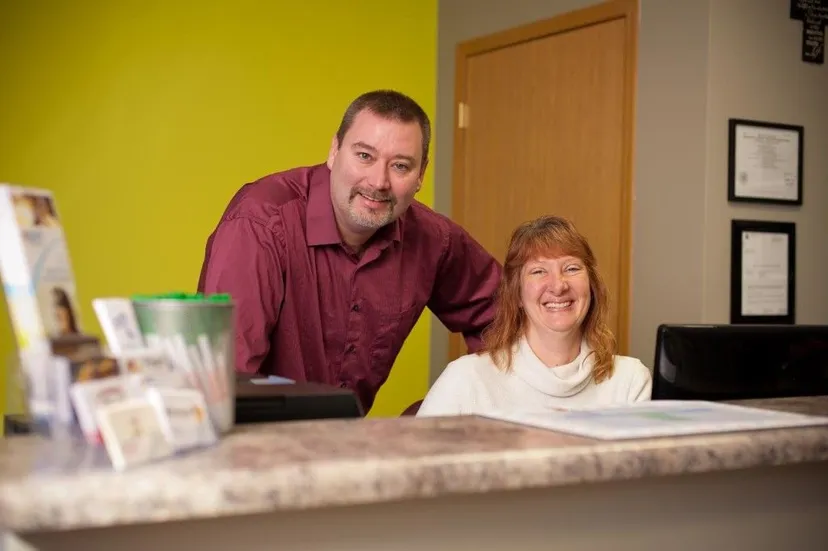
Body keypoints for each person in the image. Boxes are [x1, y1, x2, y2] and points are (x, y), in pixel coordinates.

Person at [198, 89, 501, 413]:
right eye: (365, 156)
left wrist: (441, 410)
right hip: (261, 437)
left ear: (420, 176)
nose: (379, 182)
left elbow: (510, 319)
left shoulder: (433, 239)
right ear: (334, 151)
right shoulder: (259, 225)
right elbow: (223, 386)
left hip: (348, 438)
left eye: (400, 166)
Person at [417, 215, 651, 417]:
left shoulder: (629, 380)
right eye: (539, 271)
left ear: (592, 285)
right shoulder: (466, 379)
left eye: (571, 268)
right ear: (516, 294)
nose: (558, 286)